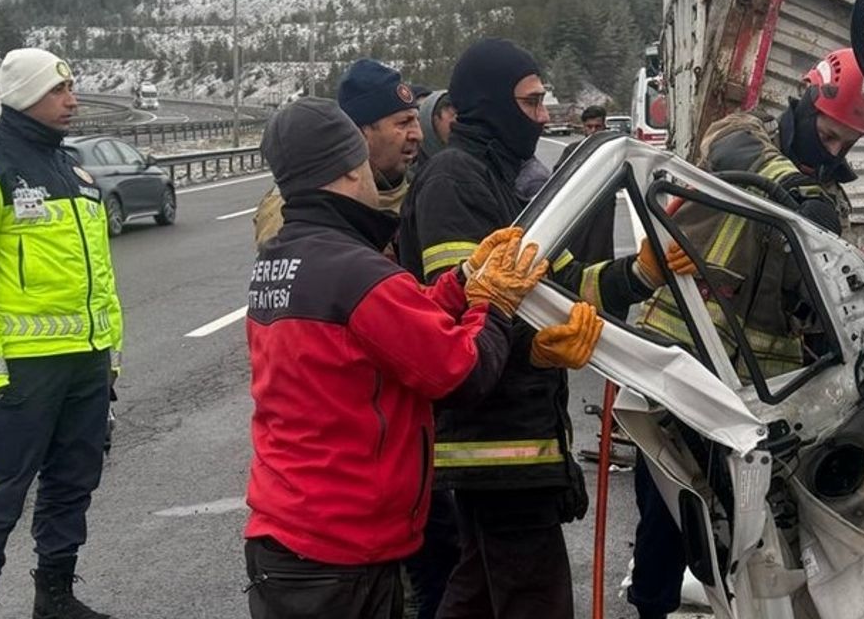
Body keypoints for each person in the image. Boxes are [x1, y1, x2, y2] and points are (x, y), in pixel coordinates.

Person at [399, 38, 686, 619]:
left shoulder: (507, 185)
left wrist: (640, 274)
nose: (542, 116)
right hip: (494, 443)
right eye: (530, 103)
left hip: (517, 433)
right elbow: (462, 312)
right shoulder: (456, 182)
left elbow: (562, 286)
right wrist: (541, 351)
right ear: (490, 104)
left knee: (477, 595)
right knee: (536, 599)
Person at [242, 97, 548, 619]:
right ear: (348, 169)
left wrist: (462, 284)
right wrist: (494, 307)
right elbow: (461, 372)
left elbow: (390, 324)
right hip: (340, 552)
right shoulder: (354, 271)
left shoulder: (285, 258)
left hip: (293, 531)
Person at [625, 47, 864, 619]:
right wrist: (795, 192)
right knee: (669, 504)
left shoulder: (829, 202)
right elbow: (733, 151)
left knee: (740, 523)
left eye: (846, 143)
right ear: (807, 102)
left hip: (756, 392)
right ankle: (651, 607)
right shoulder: (744, 133)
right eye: (828, 133)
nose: (834, 149)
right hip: (683, 358)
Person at [0, 48, 122, 619]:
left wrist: (108, 359)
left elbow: (99, 278)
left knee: (73, 484)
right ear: (23, 96)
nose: (71, 100)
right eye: (57, 91)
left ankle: (56, 595)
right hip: (22, 367)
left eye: (70, 89)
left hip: (85, 361)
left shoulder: (74, 169)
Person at [253, 59, 423, 248]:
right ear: (360, 133)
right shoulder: (294, 212)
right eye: (403, 123)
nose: (418, 134)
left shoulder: (424, 190)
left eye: (417, 120)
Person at [553, 105, 617, 264]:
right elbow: (557, 180)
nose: (593, 131)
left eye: (597, 126)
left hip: (603, 209)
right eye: (589, 127)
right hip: (577, 210)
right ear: (583, 128)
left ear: (604, 126)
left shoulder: (612, 151)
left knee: (601, 252)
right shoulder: (572, 152)